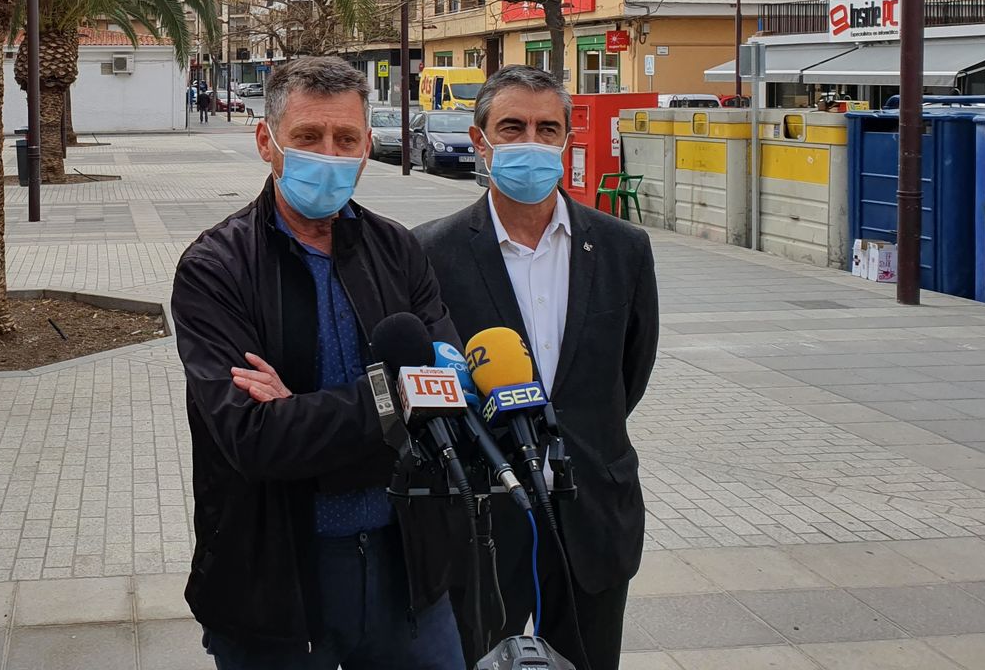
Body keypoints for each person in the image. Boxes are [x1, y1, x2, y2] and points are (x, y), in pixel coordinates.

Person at [172, 56, 468, 670]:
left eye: (346, 139)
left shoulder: (399, 249)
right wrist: (393, 399)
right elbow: (254, 440)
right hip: (274, 576)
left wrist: (303, 412)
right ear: (267, 142)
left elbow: (447, 396)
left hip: (406, 567)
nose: (329, 155)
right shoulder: (215, 268)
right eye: (308, 137)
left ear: (366, 148)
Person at [415, 65, 659, 670]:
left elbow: (630, 372)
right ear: (480, 141)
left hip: (592, 513)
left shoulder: (623, 247)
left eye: (547, 129)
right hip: (480, 517)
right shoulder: (430, 252)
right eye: (513, 127)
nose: (532, 142)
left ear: (567, 140)